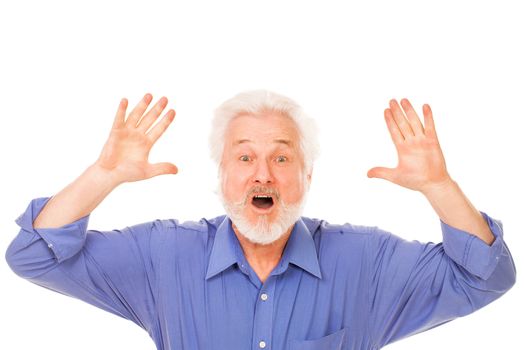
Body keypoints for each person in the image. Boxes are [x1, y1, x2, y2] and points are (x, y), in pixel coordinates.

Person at [5, 90, 516, 350]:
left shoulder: (368, 262)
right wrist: (103, 175)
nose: (262, 175)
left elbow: (486, 276)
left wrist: (439, 188)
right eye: (244, 158)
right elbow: (32, 255)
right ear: (222, 173)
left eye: (282, 157)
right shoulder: (163, 256)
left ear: (307, 174)